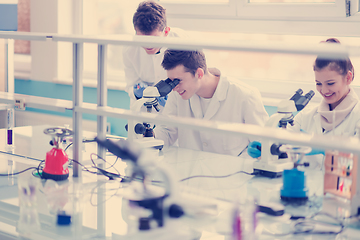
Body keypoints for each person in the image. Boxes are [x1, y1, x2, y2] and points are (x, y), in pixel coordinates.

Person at [248, 38, 359, 158]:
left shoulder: (357, 115)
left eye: (330, 83)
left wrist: (326, 148)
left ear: (348, 78)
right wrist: (265, 146)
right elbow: (283, 141)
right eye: (318, 83)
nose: (324, 90)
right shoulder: (307, 115)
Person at [154, 49, 269, 156]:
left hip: (235, 173)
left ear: (199, 74)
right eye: (171, 81)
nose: (174, 88)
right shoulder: (178, 94)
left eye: (178, 81)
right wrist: (148, 136)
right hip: (190, 171)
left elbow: (262, 144)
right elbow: (167, 131)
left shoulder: (245, 95)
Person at [123, 0, 186, 109]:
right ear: (135, 32)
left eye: (153, 39)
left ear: (166, 32)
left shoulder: (183, 42)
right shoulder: (129, 50)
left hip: (176, 108)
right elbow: (130, 84)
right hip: (143, 110)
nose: (148, 45)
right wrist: (137, 91)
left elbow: (193, 81)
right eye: (142, 39)